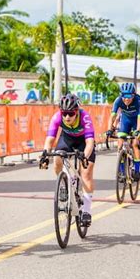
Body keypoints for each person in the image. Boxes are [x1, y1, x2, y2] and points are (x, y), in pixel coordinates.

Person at [39, 93, 95, 227]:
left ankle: (86, 210)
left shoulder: (85, 117)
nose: (67, 117)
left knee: (86, 173)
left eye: (70, 113)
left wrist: (85, 157)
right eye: (64, 113)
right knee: (57, 158)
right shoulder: (57, 117)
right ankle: (63, 185)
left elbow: (90, 142)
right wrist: (45, 154)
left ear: (76, 111)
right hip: (67, 139)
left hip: (83, 142)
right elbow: (50, 139)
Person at [106, 83, 140, 182]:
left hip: (137, 121)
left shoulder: (138, 100)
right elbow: (112, 116)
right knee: (120, 143)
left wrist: (138, 131)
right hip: (126, 120)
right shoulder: (118, 100)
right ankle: (122, 172)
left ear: (134, 95)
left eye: (129, 96)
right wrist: (109, 129)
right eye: (124, 96)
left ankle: (137, 170)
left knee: (135, 143)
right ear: (121, 95)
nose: (126, 99)